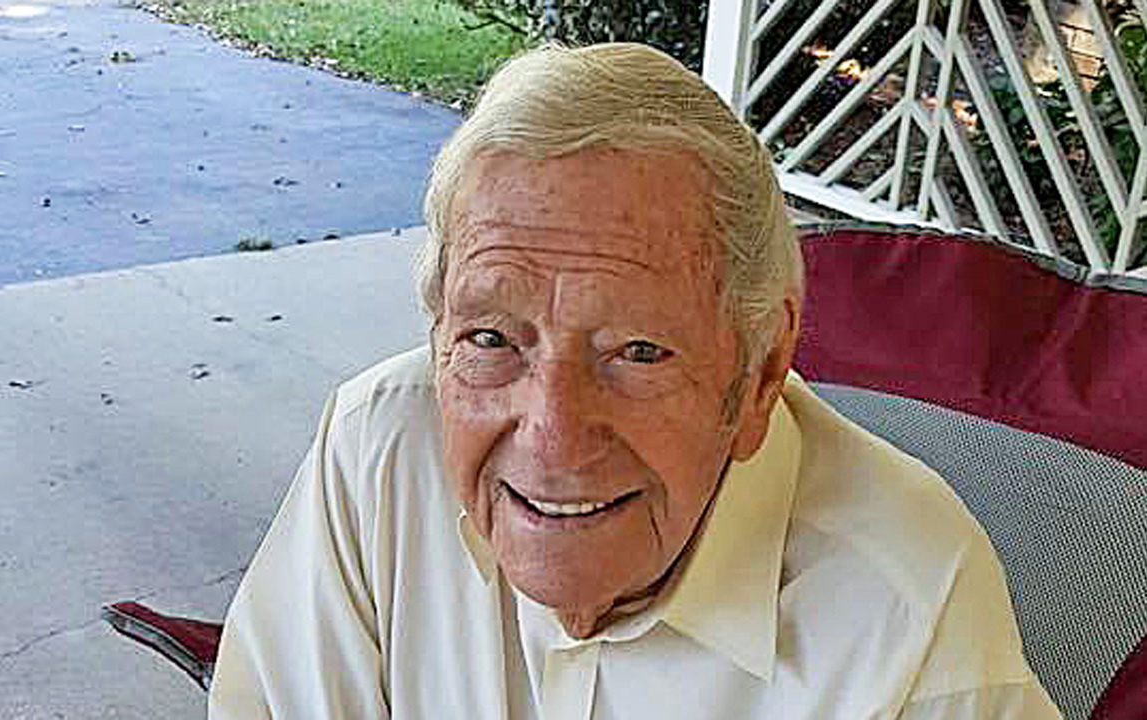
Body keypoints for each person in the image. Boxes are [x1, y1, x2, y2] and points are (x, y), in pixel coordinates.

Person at [207, 43, 1063, 719]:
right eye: (492, 338)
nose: (552, 435)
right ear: (438, 337)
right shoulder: (375, 454)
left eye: (638, 352)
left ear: (760, 374)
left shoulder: (908, 604)